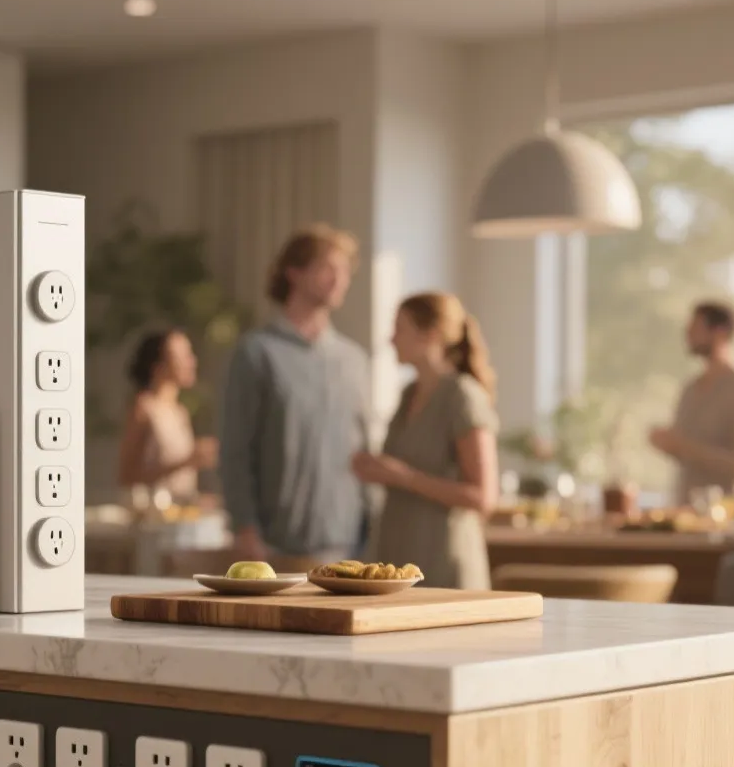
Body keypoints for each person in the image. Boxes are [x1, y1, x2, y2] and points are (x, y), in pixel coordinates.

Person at [219, 224, 369, 573]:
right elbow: (236, 449)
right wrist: (245, 526)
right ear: (294, 272)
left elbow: (364, 447)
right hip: (274, 546)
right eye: (328, 268)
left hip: (348, 545)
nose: (340, 279)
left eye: (345, 270)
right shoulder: (257, 353)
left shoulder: (354, 359)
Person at [353, 293, 499, 589]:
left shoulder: (462, 396)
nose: (391, 339)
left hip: (444, 562)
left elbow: (483, 497)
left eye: (400, 329)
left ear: (430, 335)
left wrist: (403, 477)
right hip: (399, 559)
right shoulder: (408, 394)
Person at [649, 301, 734, 503]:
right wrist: (668, 444)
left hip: (728, 511)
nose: (687, 334)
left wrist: (686, 447)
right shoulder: (691, 388)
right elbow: (684, 450)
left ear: (720, 333)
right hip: (686, 509)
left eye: (695, 328)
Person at [117, 329, 216, 500]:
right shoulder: (143, 408)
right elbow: (127, 476)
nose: (191, 362)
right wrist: (186, 462)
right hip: (152, 519)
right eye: (181, 356)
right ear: (157, 365)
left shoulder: (180, 412)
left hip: (178, 516)